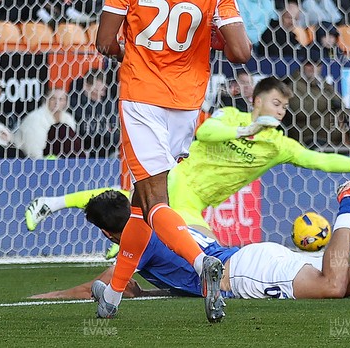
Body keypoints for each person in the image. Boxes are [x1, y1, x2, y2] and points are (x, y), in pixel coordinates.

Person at [26, 77, 350, 249]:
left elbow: (316, 159)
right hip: (177, 182)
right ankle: (126, 246)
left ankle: (56, 206)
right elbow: (205, 134)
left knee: (128, 204)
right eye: (276, 104)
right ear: (258, 101)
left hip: (197, 202)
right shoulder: (231, 116)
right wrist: (247, 128)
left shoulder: (279, 145)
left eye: (285, 106)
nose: (281, 111)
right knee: (209, 255)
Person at [28, 167, 350, 301]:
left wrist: (36, 300)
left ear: (110, 231)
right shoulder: (164, 217)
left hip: (243, 275)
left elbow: (102, 286)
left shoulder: (133, 242)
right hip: (251, 254)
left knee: (334, 287)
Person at [93, 0, 251, 322]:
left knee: (153, 200)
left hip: (142, 96)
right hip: (187, 103)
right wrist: (209, 37)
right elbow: (240, 53)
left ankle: (200, 263)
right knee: (139, 201)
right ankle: (111, 296)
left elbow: (105, 42)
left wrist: (135, 57)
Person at [283, 60, 350, 150]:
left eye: (317, 64)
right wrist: (328, 102)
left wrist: (346, 131)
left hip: (335, 139)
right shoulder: (294, 85)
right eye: (309, 64)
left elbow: (342, 107)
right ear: (302, 66)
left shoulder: (325, 85)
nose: (313, 67)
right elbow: (301, 111)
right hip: (309, 139)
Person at [13, 89, 83, 159]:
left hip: (59, 159)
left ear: (66, 102)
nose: (57, 102)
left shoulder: (68, 118)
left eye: (61, 99)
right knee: (63, 129)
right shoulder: (36, 118)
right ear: (46, 100)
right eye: (53, 98)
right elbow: (33, 150)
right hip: (30, 161)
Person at [68, 69, 119, 158]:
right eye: (96, 90)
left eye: (103, 90)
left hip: (109, 151)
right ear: (86, 86)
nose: (101, 94)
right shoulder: (74, 105)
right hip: (84, 152)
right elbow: (82, 133)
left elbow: (115, 131)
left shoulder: (109, 103)